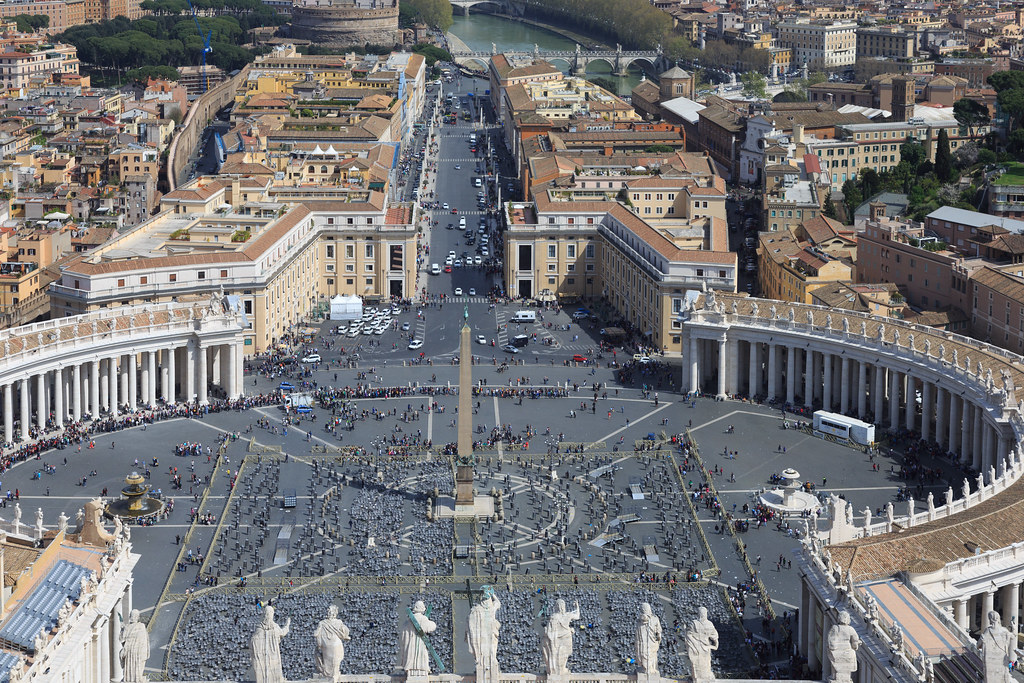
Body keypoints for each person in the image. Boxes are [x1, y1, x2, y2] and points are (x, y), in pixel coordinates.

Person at [250, 605, 290, 683]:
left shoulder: (259, 628)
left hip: (263, 657)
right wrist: (287, 624)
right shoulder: (275, 627)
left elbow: (252, 641)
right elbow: (283, 632)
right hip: (273, 655)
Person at [542, 599, 580, 676]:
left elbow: (550, 630)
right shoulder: (568, 615)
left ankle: (560, 669)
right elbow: (577, 616)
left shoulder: (554, 616)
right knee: (565, 654)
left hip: (556, 638)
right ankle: (562, 669)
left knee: (560, 654)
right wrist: (577, 607)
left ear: (556, 607)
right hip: (566, 637)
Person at [399, 600, 437, 676]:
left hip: (410, 646)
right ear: (423, 609)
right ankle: (421, 671)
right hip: (420, 644)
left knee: (412, 661)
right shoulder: (423, 619)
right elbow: (431, 627)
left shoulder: (407, 622)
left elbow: (404, 635)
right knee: (421, 661)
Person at [315, 605, 351, 682]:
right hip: (333, 645)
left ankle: (331, 676)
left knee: (331, 662)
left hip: (328, 645)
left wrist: (319, 645)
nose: (328, 612)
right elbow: (345, 632)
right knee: (333, 662)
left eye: (329, 611)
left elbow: (317, 635)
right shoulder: (336, 622)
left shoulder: (323, 623)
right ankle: (333, 676)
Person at [978, 610, 1014, 683]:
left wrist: (982, 640)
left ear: (990, 619)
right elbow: (1013, 636)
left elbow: (978, 645)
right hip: (1002, 657)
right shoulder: (1004, 630)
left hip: (990, 661)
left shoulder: (987, 631)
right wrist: (1014, 627)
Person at [685, 606, 718, 683]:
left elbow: (688, 635)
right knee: (704, 664)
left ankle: (698, 678)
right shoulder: (709, 624)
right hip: (705, 648)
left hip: (697, 648)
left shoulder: (693, 623)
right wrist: (713, 645)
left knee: (698, 665)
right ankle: (702, 678)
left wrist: (695, 644)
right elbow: (715, 639)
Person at [826, 610, 860, 683]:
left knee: (834, 661)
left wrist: (832, 648)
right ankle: (846, 679)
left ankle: (834, 676)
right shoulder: (851, 629)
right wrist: (855, 646)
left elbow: (831, 640)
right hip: (848, 650)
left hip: (837, 650)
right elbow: (855, 641)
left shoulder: (835, 628)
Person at [121, 609, 149, 683]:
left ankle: (131, 679)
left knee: (130, 670)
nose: (132, 617)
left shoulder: (127, 627)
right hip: (137, 652)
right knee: (137, 669)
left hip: (131, 652)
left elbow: (121, 639)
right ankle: (138, 679)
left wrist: (122, 630)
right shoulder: (141, 626)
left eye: (132, 616)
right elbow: (145, 642)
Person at [635, 602, 662, 677]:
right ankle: (648, 668)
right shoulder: (642, 620)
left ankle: (649, 669)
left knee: (649, 654)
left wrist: (658, 635)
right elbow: (659, 631)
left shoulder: (653, 619)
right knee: (647, 654)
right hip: (646, 641)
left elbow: (658, 630)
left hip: (650, 641)